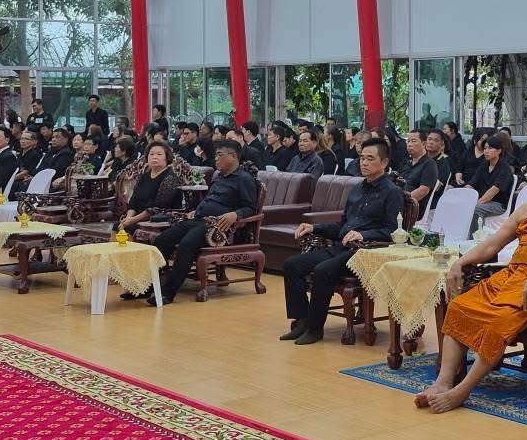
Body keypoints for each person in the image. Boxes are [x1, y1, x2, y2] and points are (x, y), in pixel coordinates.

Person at [416, 150, 527, 413]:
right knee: (459, 307)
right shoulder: (526, 210)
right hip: (511, 275)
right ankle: (443, 382)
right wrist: (460, 263)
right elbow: (492, 245)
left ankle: (463, 391)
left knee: (498, 323)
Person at [281, 138, 404, 344]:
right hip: (341, 248)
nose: (364, 163)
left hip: (365, 253)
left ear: (384, 162)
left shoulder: (392, 193)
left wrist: (364, 235)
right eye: (362, 158)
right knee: (292, 265)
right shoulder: (357, 189)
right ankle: (302, 320)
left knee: (323, 270)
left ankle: (315, 328)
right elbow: (343, 225)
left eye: (370, 159)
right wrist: (314, 227)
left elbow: (393, 231)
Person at [149, 139, 258, 305]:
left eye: (219, 155)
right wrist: (197, 210)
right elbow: (209, 199)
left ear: (233, 156)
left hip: (217, 226)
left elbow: (251, 208)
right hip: (198, 219)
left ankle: (168, 294)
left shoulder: (244, 179)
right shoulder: (219, 176)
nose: (216, 159)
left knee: (186, 245)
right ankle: (149, 287)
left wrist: (235, 214)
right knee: (161, 241)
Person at [118, 142, 182, 236]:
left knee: (129, 228)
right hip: (137, 217)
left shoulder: (170, 178)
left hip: (159, 218)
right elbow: (133, 201)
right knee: (118, 226)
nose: (154, 157)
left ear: (167, 157)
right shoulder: (144, 176)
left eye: (159, 154)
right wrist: (129, 218)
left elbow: (157, 208)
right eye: (151, 154)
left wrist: (133, 220)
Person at [467, 136, 514, 236]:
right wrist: (464, 196)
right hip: (483, 201)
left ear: (499, 151)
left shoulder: (505, 168)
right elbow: (472, 184)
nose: (486, 151)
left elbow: (494, 190)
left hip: (498, 204)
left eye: (490, 148)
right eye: (485, 148)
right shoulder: (483, 166)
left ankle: (475, 238)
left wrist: (476, 203)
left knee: (476, 209)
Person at [400, 129, 439, 217]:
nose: (409, 144)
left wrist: (401, 201)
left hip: (411, 209)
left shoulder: (429, 164)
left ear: (424, 144)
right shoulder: (405, 162)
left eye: (413, 141)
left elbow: (423, 190)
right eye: (408, 141)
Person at [425, 129, 452, 207]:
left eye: (436, 140)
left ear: (442, 144)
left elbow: (436, 187)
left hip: (431, 200)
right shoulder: (420, 158)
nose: (431, 142)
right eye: (429, 139)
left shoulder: (443, 162)